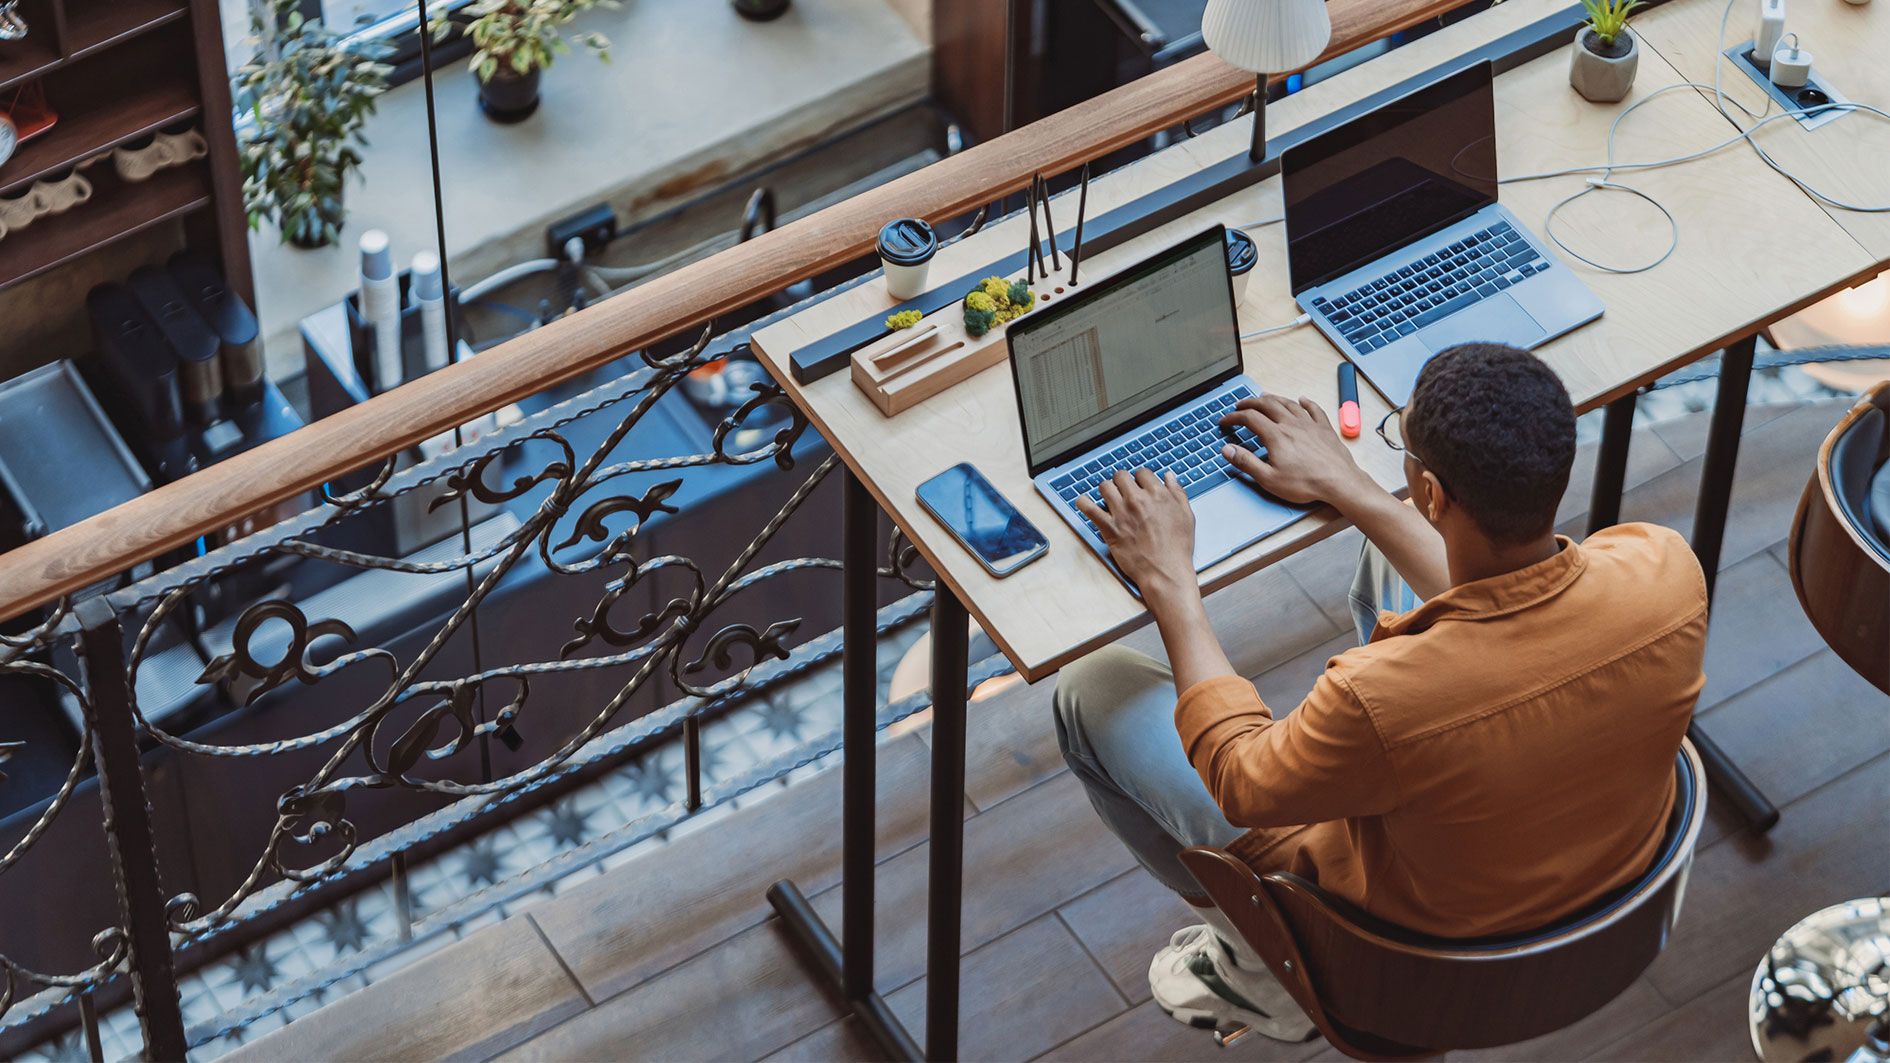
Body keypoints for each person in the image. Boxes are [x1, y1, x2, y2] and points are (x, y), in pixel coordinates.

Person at [1053, 343, 1706, 1040]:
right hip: (1605, 901)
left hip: (1401, 963)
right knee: (1387, 550)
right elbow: (1514, 604)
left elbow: (1239, 779)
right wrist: (1352, 486)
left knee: (1091, 689)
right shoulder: (1666, 570)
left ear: (1431, 491)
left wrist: (1169, 580)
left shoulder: (1380, 698)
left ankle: (1258, 968)